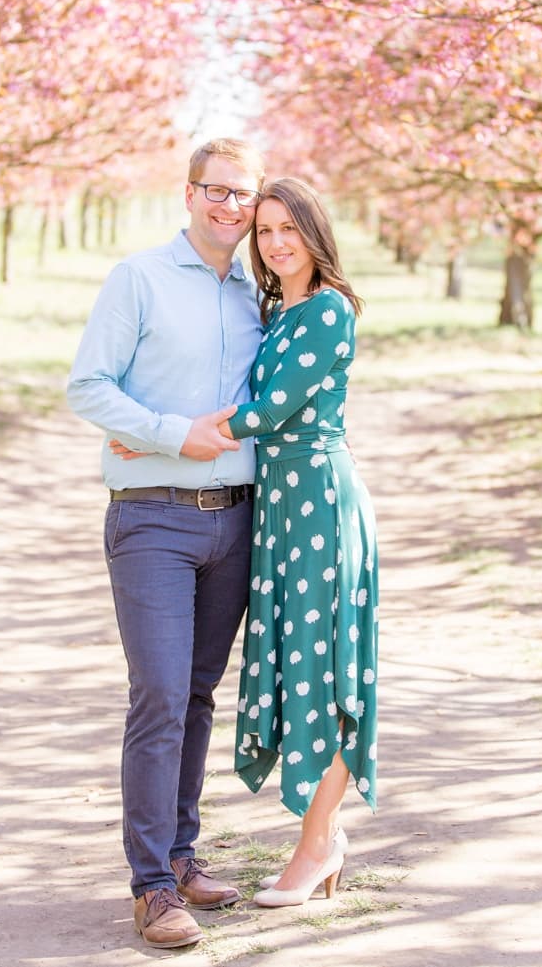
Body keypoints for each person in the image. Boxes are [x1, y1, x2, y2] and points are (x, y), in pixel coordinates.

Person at [65, 138, 266, 949]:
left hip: (237, 521)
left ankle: (181, 857)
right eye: (217, 190)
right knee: (157, 691)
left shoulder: (259, 295)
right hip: (152, 516)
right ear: (188, 193)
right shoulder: (138, 279)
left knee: (198, 694)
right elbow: (87, 385)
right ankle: (150, 886)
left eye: (244, 195)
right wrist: (167, 434)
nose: (231, 207)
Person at [210, 176, 379, 907]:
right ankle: (322, 838)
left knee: (326, 669)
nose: (276, 243)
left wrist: (167, 437)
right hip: (279, 509)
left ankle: (317, 843)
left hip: (319, 504)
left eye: (289, 228)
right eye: (266, 231)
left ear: (315, 232)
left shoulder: (330, 311)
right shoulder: (279, 309)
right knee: (293, 665)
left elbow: (271, 409)